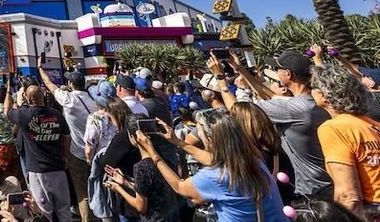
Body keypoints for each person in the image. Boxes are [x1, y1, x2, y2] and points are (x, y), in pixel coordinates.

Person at [140, 108, 288, 222]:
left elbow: (180, 186)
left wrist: (153, 154)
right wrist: (178, 142)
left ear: (210, 139)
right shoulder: (253, 158)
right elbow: (214, 159)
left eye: (199, 132)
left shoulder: (215, 177)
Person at [220, 50, 332, 199]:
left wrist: (220, 77)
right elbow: (270, 95)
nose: (275, 72)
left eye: (277, 69)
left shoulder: (294, 109)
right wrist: (241, 69)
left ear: (288, 74)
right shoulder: (313, 100)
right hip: (326, 181)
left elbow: (238, 110)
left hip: (312, 189)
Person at [312, 62, 380, 218]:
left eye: (313, 88)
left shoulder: (334, 128)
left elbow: (348, 195)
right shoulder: (373, 125)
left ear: (324, 96)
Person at [5, 84, 70, 222]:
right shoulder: (56, 114)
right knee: (64, 210)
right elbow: (66, 137)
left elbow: (7, 111)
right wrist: (65, 157)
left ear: (28, 99)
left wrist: (9, 92)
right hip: (58, 169)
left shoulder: (24, 115)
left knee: (43, 211)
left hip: (38, 172)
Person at [41, 69, 94, 222]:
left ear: (71, 84)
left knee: (82, 192)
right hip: (96, 152)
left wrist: (40, 68)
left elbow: (49, 84)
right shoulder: (93, 100)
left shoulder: (69, 100)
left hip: (78, 153)